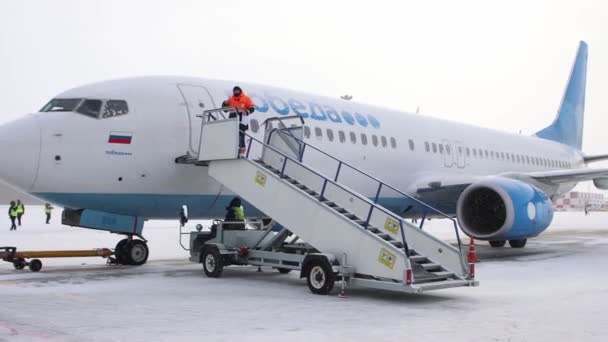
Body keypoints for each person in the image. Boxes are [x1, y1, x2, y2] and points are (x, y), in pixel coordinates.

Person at [225, 86, 255, 154]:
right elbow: (225, 109)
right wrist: (224, 103)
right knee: (231, 134)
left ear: (240, 91)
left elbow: (252, 108)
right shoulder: (231, 99)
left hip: (242, 118)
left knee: (241, 134)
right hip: (232, 118)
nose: (236, 92)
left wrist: (247, 112)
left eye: (237, 91)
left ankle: (241, 151)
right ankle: (231, 149)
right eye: (235, 91)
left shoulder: (246, 98)